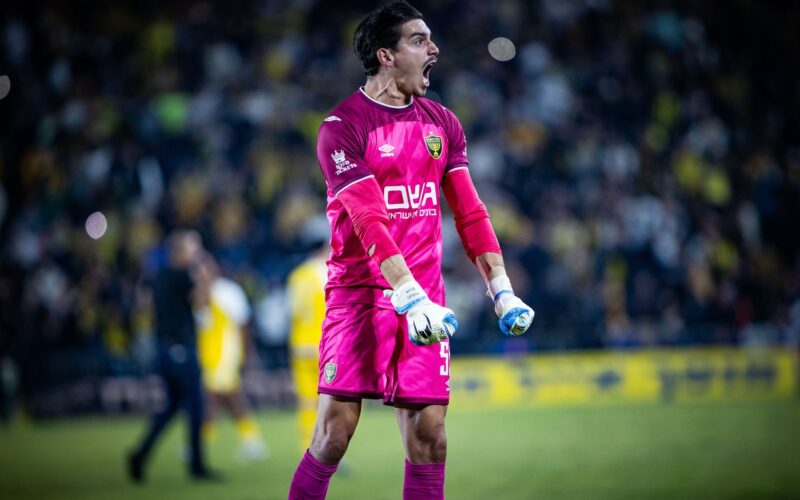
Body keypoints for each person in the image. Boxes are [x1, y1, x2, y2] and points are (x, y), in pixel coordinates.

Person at [288, 2, 535, 498]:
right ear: (386, 54)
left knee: (430, 437)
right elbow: (367, 217)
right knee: (334, 433)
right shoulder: (342, 126)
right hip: (359, 297)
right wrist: (406, 292)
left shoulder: (442, 123)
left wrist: (501, 289)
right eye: (420, 40)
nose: (434, 49)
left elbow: (470, 212)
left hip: (424, 298)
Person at [127, 230, 218, 482]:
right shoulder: (181, 276)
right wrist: (206, 274)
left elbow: (144, 304)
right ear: (180, 252)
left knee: (171, 407)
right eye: (193, 248)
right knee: (196, 408)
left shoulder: (158, 276)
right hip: (181, 349)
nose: (196, 253)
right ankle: (197, 466)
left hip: (164, 349)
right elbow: (204, 301)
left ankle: (140, 454)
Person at [195, 252, 268, 462]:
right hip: (208, 354)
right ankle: (251, 440)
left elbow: (243, 324)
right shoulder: (198, 294)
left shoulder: (228, 292)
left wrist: (246, 353)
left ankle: (201, 444)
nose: (201, 273)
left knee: (213, 397)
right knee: (228, 398)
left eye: (204, 268)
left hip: (226, 353)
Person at [286, 237, 328, 454]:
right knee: (328, 402)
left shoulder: (296, 276)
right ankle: (325, 449)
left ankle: (307, 448)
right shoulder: (327, 271)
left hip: (300, 345)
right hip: (324, 346)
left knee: (306, 401)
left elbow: (292, 312)